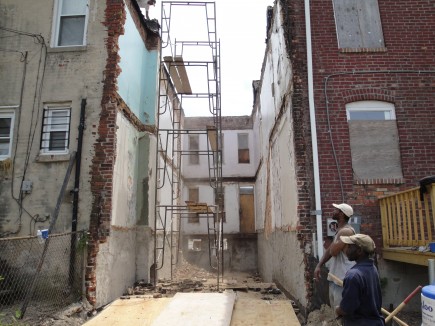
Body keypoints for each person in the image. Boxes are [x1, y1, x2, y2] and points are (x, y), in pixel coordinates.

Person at [336, 234, 385, 325]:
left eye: (350, 247)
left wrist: (338, 310)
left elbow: (346, 309)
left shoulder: (353, 276)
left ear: (359, 251)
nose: (346, 250)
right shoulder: (372, 268)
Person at [314, 203, 356, 309]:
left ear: (342, 214)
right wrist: (319, 265)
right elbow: (330, 250)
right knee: (335, 313)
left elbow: (333, 252)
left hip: (343, 280)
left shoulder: (346, 231)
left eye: (336, 210)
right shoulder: (339, 231)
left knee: (341, 314)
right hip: (335, 278)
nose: (333, 211)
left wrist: (335, 241)